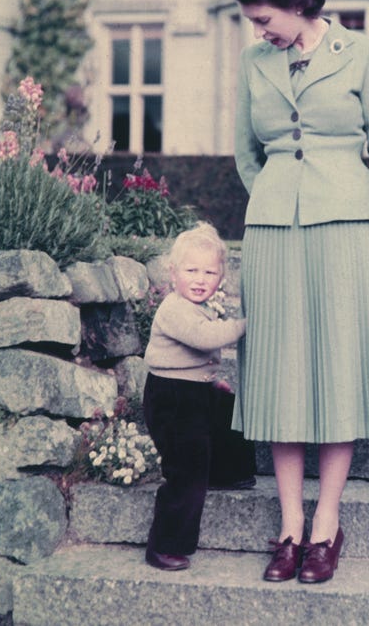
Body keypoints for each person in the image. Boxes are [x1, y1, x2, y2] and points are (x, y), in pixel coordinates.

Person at [230, 0, 369, 584]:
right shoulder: (253, 63)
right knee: (279, 371)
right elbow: (247, 153)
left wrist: (363, 219)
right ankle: (289, 527)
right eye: (252, 21)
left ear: (298, 3)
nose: (259, 31)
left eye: (263, 18)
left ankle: (327, 524)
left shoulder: (362, 53)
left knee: (334, 367)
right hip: (274, 229)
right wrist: (275, 199)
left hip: (345, 228)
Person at [143, 222, 257, 572]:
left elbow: (196, 359)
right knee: (186, 469)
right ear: (173, 273)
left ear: (221, 277)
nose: (200, 279)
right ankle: (165, 544)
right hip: (172, 399)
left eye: (210, 272)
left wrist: (210, 381)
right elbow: (204, 337)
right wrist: (248, 324)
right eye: (191, 270)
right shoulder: (174, 307)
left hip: (194, 390)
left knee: (229, 414)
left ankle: (230, 471)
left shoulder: (200, 305)